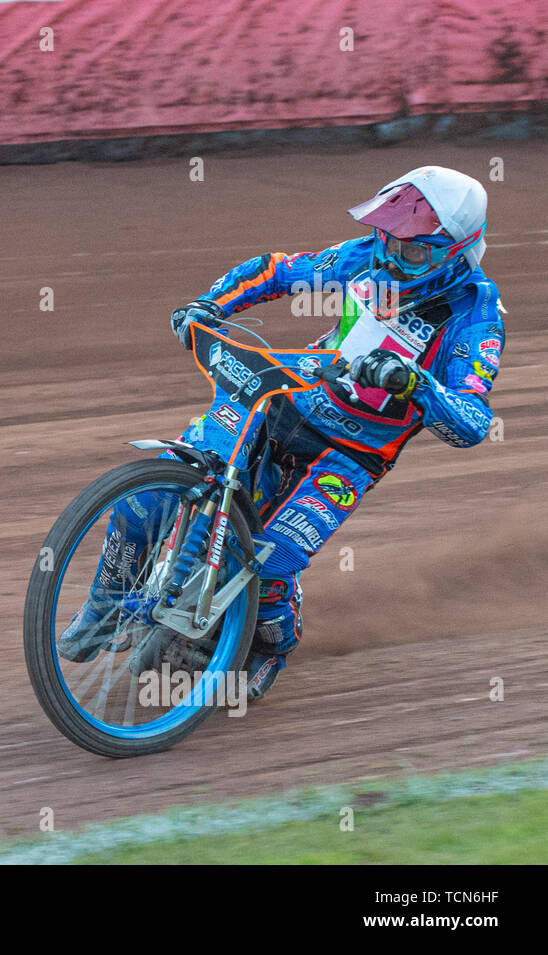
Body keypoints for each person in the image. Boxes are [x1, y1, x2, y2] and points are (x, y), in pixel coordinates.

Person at [62, 166, 504, 700]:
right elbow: (278, 272)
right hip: (283, 400)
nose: (388, 257)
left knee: (269, 561)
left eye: (410, 251)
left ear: (458, 250)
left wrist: (416, 383)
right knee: (151, 495)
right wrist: (213, 304)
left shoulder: (475, 316)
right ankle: (108, 603)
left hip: (349, 455)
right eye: (386, 237)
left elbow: (472, 423)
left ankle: (269, 647)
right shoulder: (367, 255)